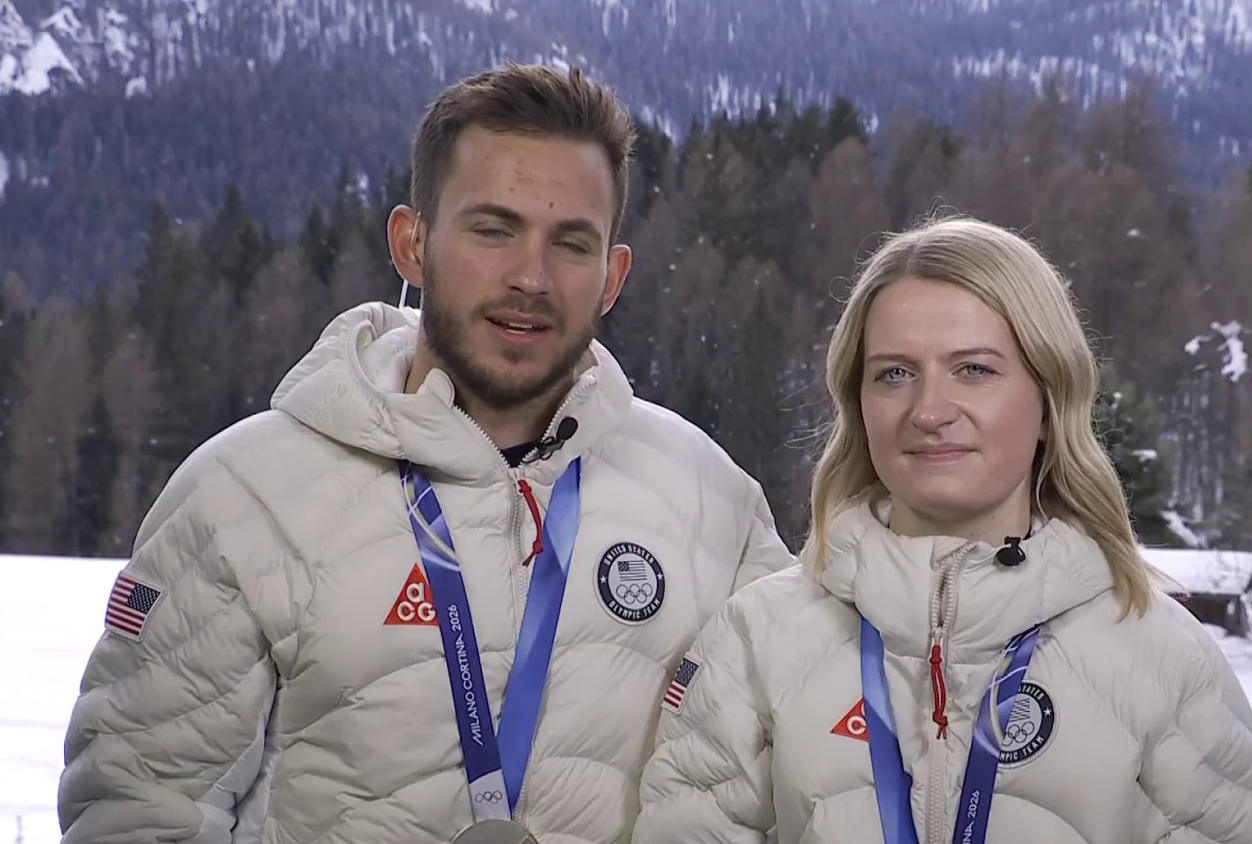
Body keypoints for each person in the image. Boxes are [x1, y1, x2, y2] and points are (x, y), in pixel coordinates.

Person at [58, 63, 792, 844]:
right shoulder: (243, 494)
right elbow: (139, 810)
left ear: (612, 277)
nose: (531, 278)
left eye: (571, 243)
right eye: (493, 229)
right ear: (411, 243)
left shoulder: (713, 502)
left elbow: (790, 789)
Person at [634, 216, 1252, 843]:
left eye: (974, 369)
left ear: (1046, 400)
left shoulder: (1163, 656)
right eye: (895, 374)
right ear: (857, 403)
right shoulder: (756, 639)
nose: (929, 410)